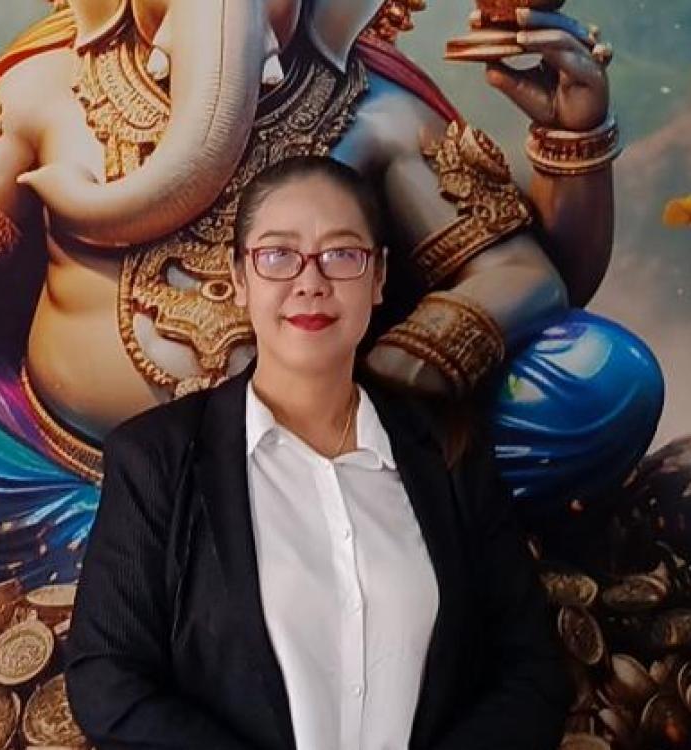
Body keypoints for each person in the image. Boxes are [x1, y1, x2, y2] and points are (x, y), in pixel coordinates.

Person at [64, 156, 574, 749]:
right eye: (278, 255)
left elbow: (532, 671)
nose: (310, 282)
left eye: (341, 254)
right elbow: (106, 679)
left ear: (378, 277)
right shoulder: (156, 458)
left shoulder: (449, 451)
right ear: (240, 277)